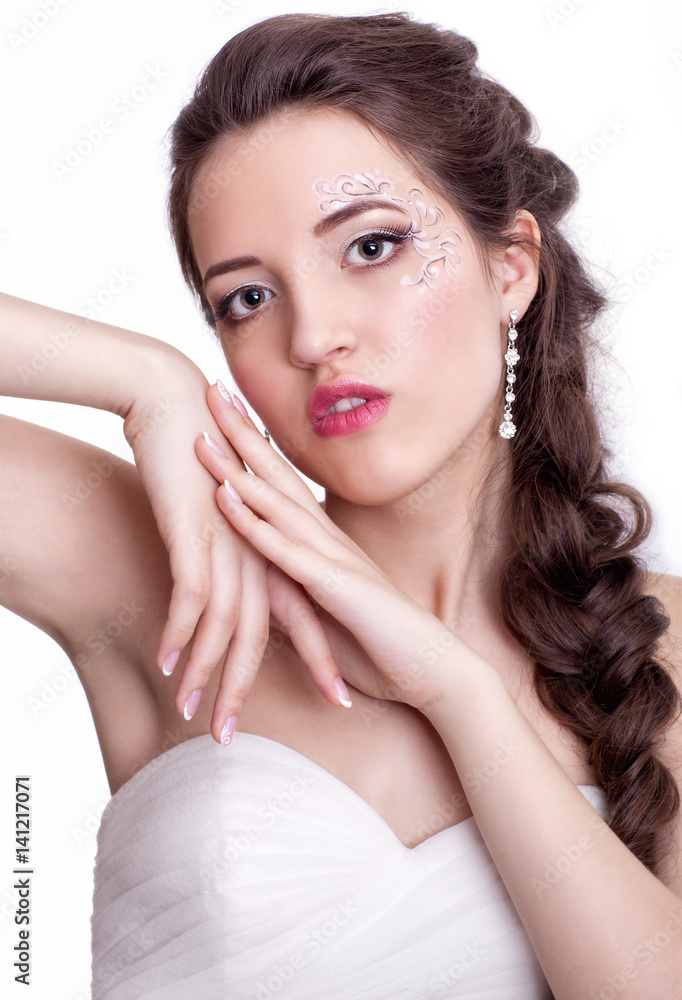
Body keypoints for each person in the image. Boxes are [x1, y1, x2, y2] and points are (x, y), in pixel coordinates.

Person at [1, 9, 681, 999]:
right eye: (245, 298)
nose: (313, 334)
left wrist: (457, 692)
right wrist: (141, 375)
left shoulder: (659, 645)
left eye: (370, 248)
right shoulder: (162, 574)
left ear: (510, 268)